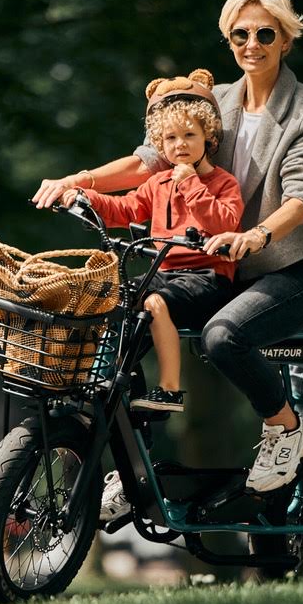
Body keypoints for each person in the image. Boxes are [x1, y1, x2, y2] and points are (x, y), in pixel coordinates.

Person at [34, 0, 303, 506]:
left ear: (286, 39)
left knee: (224, 337)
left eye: (265, 33)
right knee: (126, 315)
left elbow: (301, 194)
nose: (252, 44)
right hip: (221, 270)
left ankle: (288, 428)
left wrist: (257, 234)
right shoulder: (215, 102)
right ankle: (135, 469)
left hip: (290, 270)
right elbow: (145, 162)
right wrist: (75, 182)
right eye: (239, 34)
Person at [61, 69, 243, 416]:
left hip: (208, 278)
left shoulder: (223, 183)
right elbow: (126, 207)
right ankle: (108, 375)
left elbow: (224, 221)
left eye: (190, 135)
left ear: (209, 137)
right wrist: (86, 196)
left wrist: (191, 184)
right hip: (165, 272)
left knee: (156, 303)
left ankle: (172, 389)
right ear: (160, 144)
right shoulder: (157, 183)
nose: (181, 145)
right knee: (116, 296)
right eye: (171, 138)